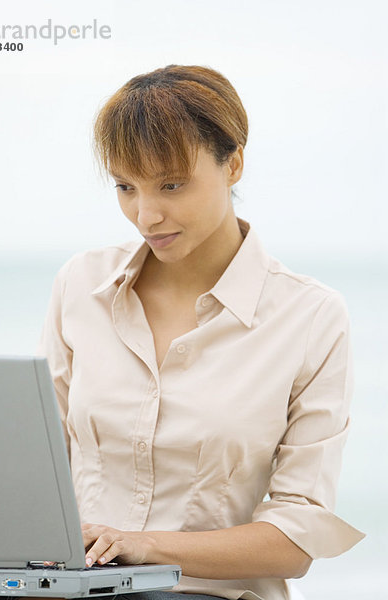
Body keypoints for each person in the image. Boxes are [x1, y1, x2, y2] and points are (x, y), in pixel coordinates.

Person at [36, 64, 365, 600]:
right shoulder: (81, 285)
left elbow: (296, 536)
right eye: (125, 187)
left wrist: (145, 545)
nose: (146, 215)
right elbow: (41, 465)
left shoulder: (311, 316)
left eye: (172, 185)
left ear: (233, 163)